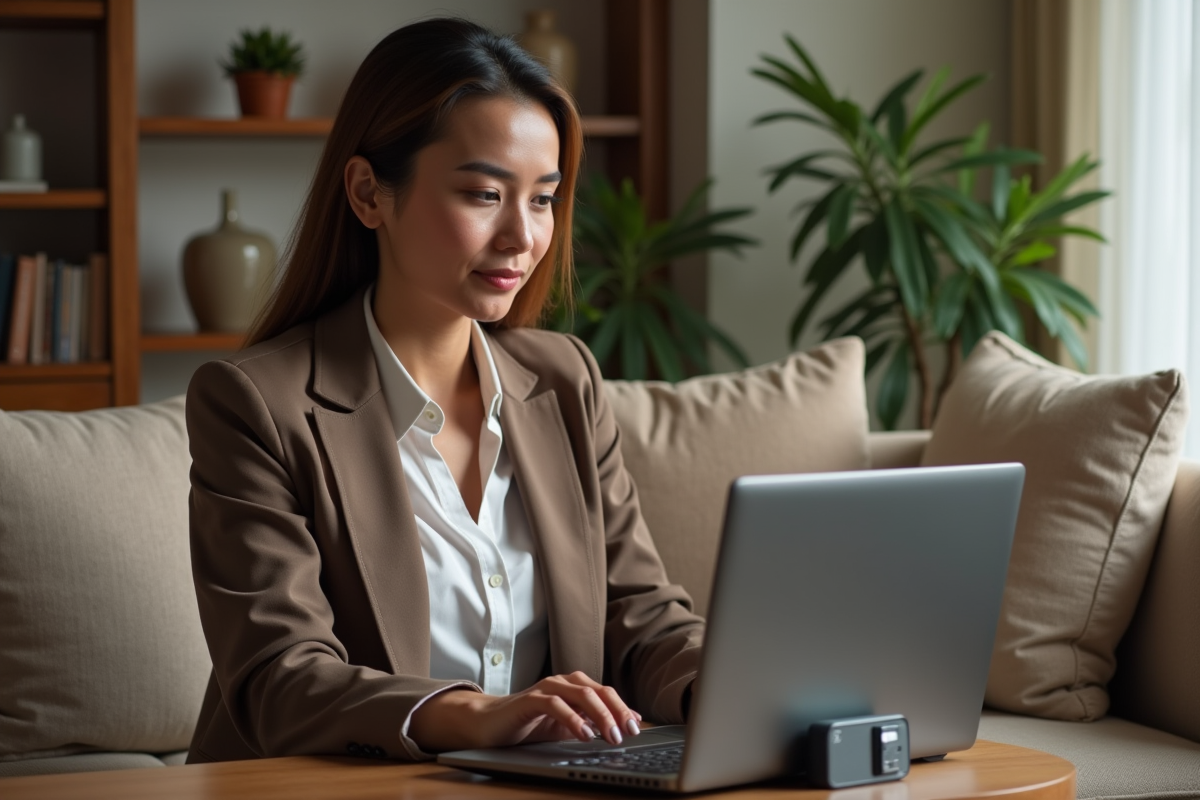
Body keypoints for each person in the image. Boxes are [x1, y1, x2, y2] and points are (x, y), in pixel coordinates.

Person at [184, 17, 704, 764]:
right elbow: (280, 676)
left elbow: (640, 616)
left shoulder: (565, 381)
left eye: (542, 199)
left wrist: (726, 685)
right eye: (485, 194)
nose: (522, 238)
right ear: (370, 194)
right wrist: (471, 715)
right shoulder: (256, 404)